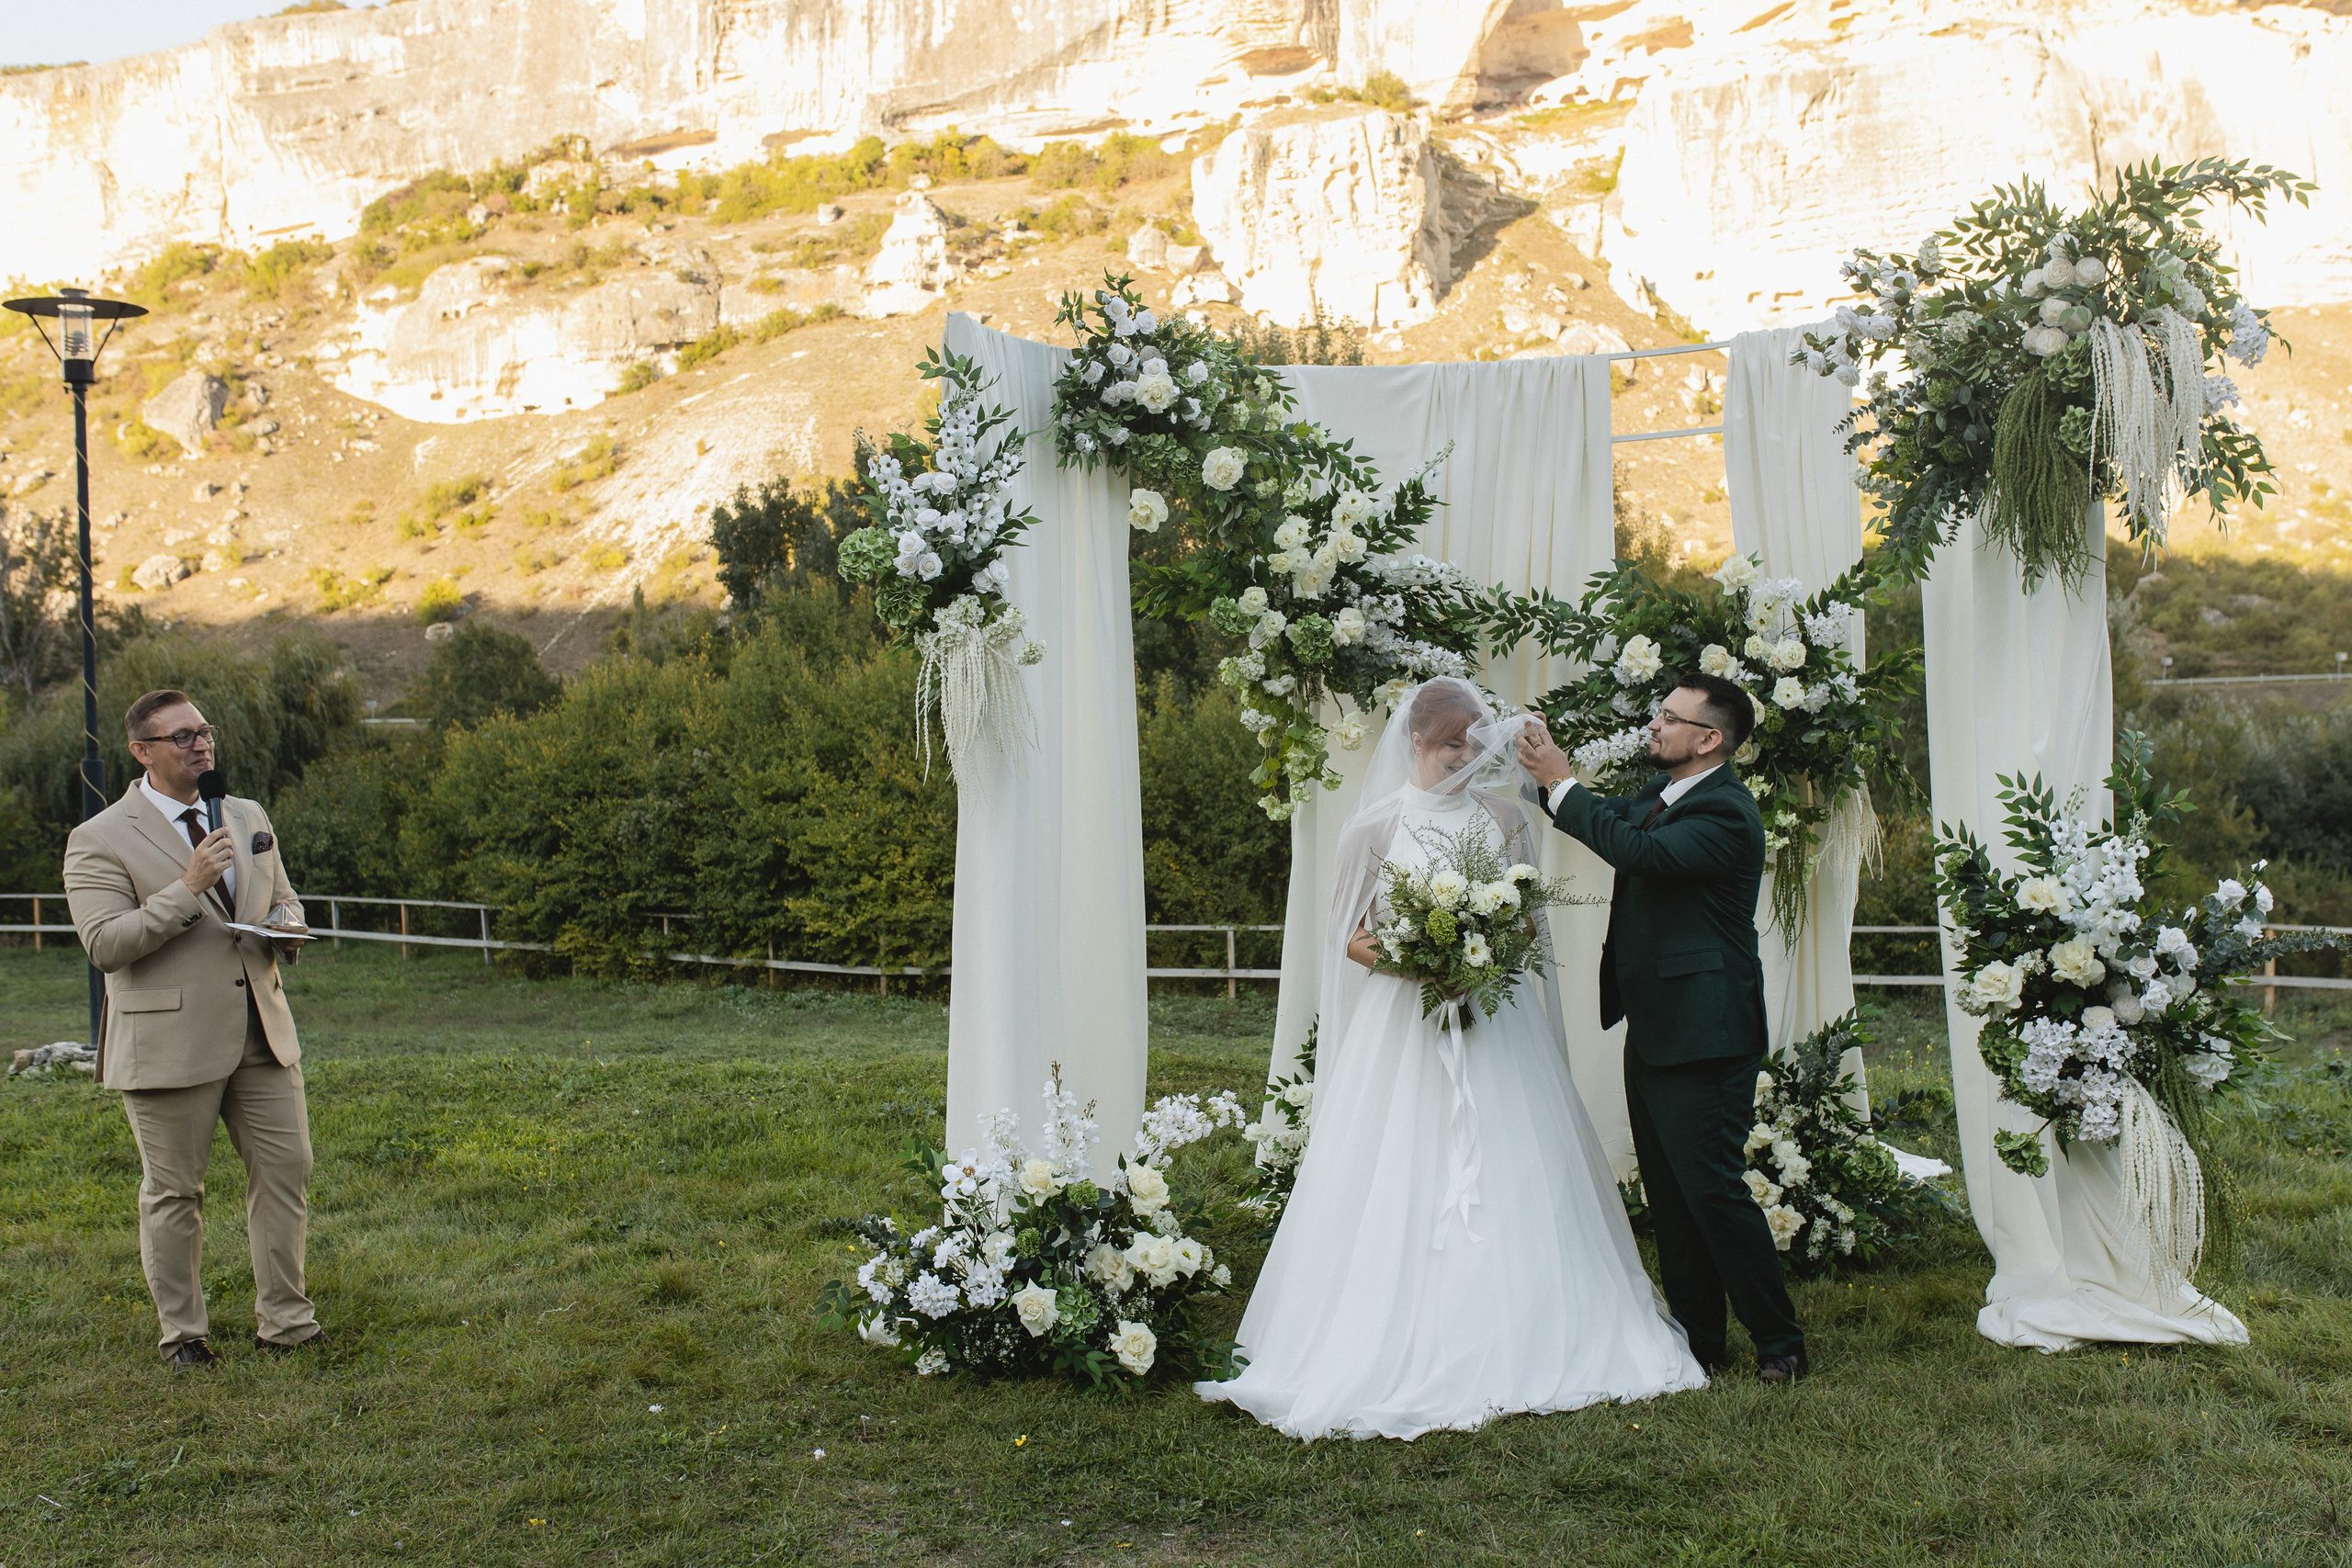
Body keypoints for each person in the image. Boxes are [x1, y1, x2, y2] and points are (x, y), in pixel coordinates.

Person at [1197, 677, 1707, 1440]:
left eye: (1472, 744)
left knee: (1514, 1160)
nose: (1463, 757)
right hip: (1405, 1023)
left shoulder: (1505, 817)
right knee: (1400, 1163)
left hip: (1495, 1025)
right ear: (1414, 741)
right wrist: (1423, 962)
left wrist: (1483, 954)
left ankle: (1530, 1326)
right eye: (1448, 745)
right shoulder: (1371, 828)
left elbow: (1528, 921)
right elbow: (1350, 934)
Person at [1516, 671, 1809, 1383]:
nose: (1655, 725)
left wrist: (1563, 783)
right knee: (1673, 1193)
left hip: (1706, 1030)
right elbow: (1608, 816)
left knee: (1711, 1186)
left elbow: (1638, 852)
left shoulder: (1728, 814)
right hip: (1657, 1023)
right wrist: (1538, 769)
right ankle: (1700, 1338)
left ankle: (1780, 1343)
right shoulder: (1666, 795)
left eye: (1671, 718)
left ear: (1709, 739)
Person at [63, 689, 323, 1368]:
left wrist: (289, 925)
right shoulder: (99, 837)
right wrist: (185, 888)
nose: (200, 744)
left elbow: (282, 892)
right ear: (142, 751)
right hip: (168, 1043)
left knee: (286, 1171)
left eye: (204, 730)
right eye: (181, 736)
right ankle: (184, 1337)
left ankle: (287, 1322)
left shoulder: (245, 812)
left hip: (261, 1030)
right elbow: (105, 944)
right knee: (176, 1190)